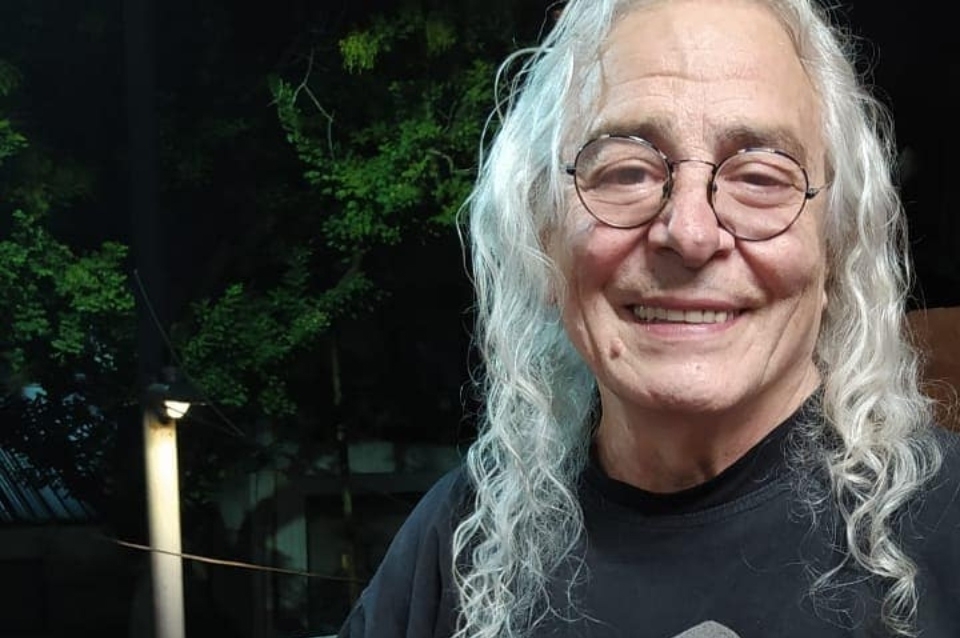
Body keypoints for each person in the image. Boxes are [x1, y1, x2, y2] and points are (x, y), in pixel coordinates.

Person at [337, 0, 960, 636]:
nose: (690, 233)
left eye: (761, 177)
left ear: (835, 250)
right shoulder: (465, 541)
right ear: (543, 241)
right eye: (626, 172)